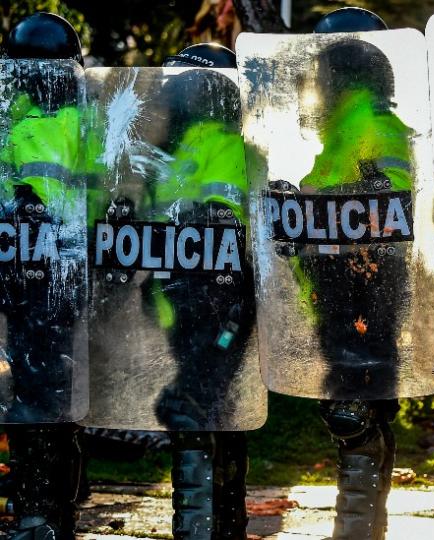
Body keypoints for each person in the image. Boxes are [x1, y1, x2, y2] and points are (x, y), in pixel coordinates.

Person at [291, 7, 405, 539]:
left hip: (366, 302)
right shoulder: (343, 137)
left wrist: (311, 204)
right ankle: (367, 528)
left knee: (353, 419)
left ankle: (354, 532)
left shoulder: (374, 131)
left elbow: (391, 220)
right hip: (350, 300)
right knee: (368, 419)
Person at [145, 43, 253, 540]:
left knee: (195, 414)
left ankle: (200, 527)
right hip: (190, 304)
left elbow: (224, 211)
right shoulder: (176, 153)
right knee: (213, 421)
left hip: (216, 309)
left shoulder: (221, 144)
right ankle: (219, 524)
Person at [0, 12, 86, 540]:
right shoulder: (19, 124)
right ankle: (45, 514)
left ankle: (43, 516)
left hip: (55, 280)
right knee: (40, 397)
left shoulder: (79, 123)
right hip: (35, 277)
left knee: (42, 396)